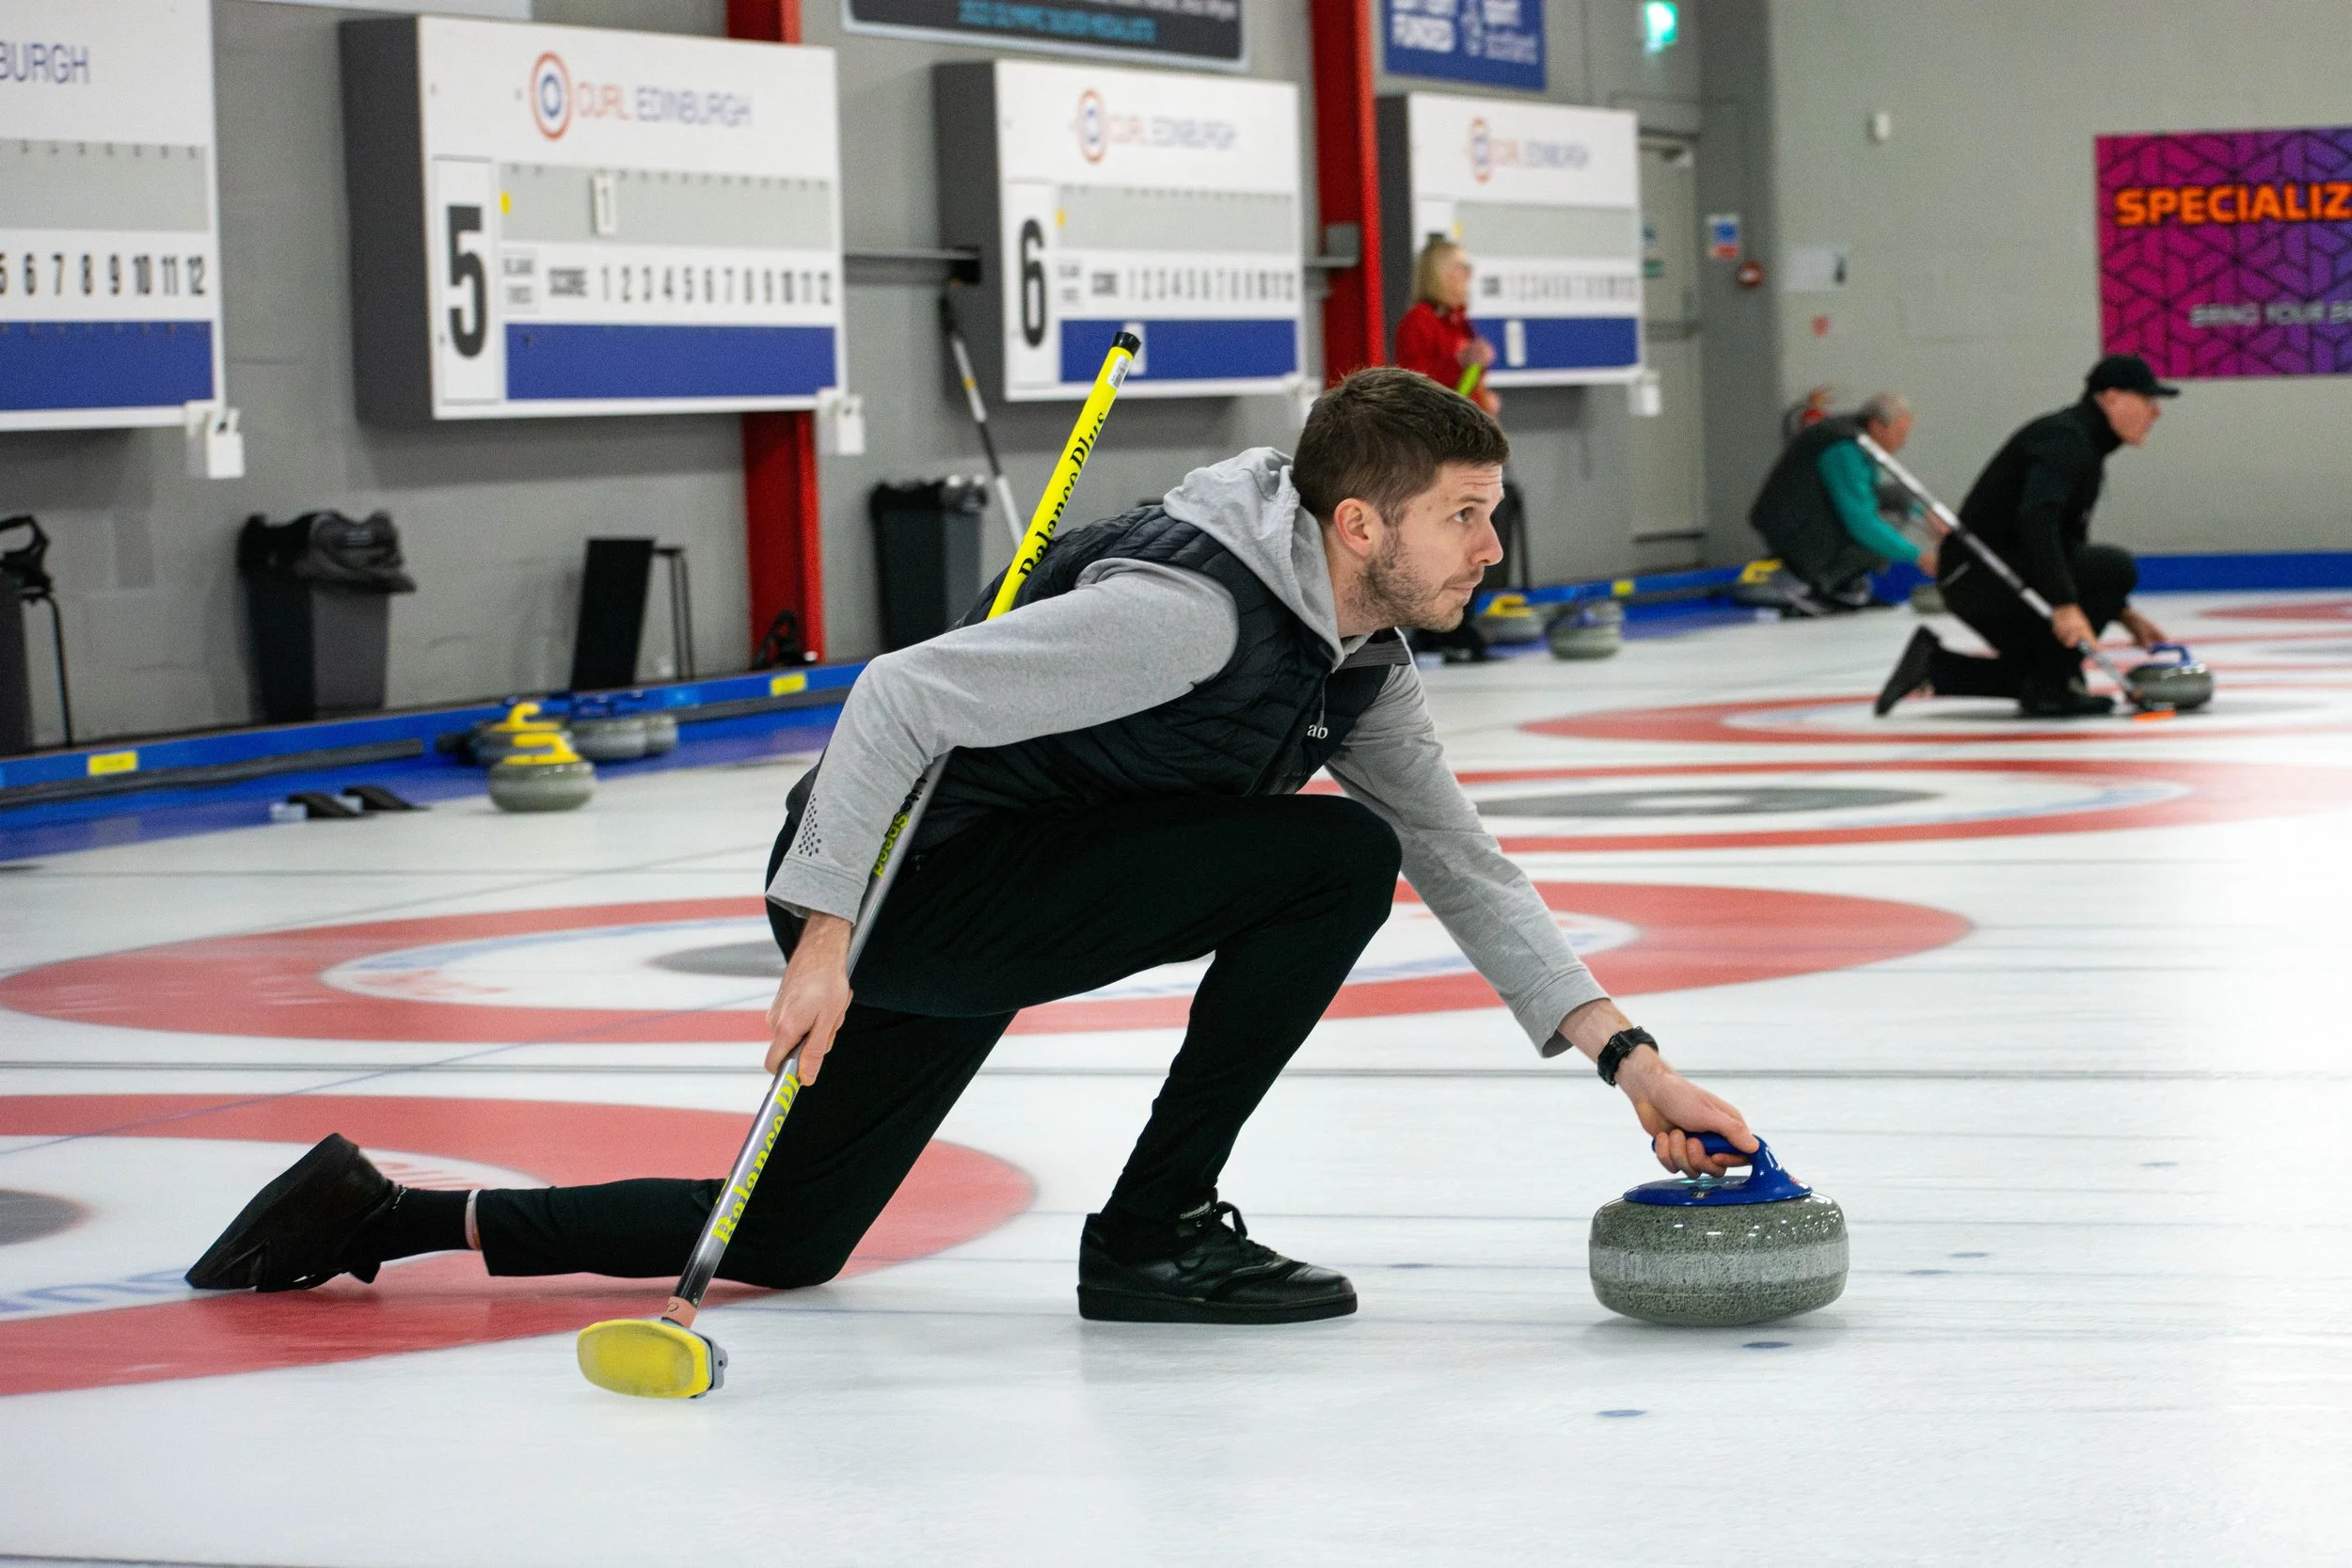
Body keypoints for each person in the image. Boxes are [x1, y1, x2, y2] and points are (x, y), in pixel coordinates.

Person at [186, 370, 1757, 1326]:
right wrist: (821, 940)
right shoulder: (1193, 610)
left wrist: (1632, 1058)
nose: (1492, 547)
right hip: (913, 893)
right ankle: (1152, 1233)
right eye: (1468, 517)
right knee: (1329, 861)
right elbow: (897, 693)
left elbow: (1468, 860)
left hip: (1002, 888)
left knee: (790, 1239)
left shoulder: (1354, 663)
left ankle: (378, 1214)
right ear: (1361, 528)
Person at [1875, 355, 2175, 720]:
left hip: (1980, 576)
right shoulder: (2066, 440)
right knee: (2115, 567)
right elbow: (2037, 518)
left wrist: (2122, 612)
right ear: (2111, 397)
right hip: (1984, 576)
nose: (2155, 413)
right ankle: (2052, 689)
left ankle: (1936, 666)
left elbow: (2064, 541)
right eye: (2147, 400)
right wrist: (2065, 604)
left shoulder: (2080, 441)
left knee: (2048, 672)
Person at [1392, 235, 1522, 660]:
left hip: (1468, 446)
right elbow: (1419, 388)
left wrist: (1484, 394)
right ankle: (1441, 623)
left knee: (1483, 530)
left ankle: (1457, 619)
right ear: (1439, 274)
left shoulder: (1458, 322)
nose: (1467, 278)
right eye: (1459, 269)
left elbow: (1464, 385)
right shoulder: (1420, 322)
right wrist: (1462, 365)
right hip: (1437, 451)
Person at [1747, 392, 1943, 613]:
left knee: (1899, 500)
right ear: (1877, 426)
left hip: (1805, 516)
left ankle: (1841, 583)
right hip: (1793, 526)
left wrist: (1924, 514)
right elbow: (1861, 522)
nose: (1902, 443)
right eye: (1899, 433)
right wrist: (1919, 558)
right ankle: (1813, 582)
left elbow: (1872, 495)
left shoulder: (1857, 439)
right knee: (1874, 526)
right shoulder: (1843, 448)